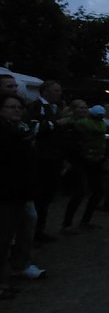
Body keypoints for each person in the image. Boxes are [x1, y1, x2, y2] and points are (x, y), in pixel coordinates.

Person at [1, 94, 47, 298]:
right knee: (3, 238)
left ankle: (14, 270)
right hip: (7, 192)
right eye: (11, 107)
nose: (16, 110)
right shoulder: (7, 133)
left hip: (19, 191)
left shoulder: (19, 130)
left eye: (18, 107)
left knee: (14, 232)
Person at [28, 80, 70, 243]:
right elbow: (33, 129)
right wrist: (55, 124)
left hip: (54, 158)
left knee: (46, 197)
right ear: (46, 92)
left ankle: (40, 231)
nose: (60, 93)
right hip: (42, 159)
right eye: (56, 90)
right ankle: (33, 234)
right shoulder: (37, 106)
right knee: (40, 197)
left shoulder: (55, 108)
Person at [62, 102, 108, 233]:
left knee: (97, 191)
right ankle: (67, 224)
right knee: (79, 192)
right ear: (73, 109)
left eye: (84, 107)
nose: (83, 109)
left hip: (93, 161)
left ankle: (85, 221)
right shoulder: (70, 124)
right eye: (79, 107)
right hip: (78, 161)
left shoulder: (90, 122)